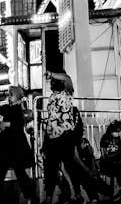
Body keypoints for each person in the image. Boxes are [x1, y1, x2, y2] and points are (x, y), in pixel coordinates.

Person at [0, 84, 36, 204]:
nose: (9, 96)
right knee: (1, 171)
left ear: (17, 95)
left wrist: (6, 124)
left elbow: (19, 123)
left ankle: (30, 195)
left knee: (18, 172)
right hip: (8, 143)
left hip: (15, 145)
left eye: (11, 94)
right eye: (9, 94)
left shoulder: (20, 109)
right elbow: (1, 110)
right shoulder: (9, 107)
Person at [42, 72, 81, 204]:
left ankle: (75, 194)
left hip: (64, 136)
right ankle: (49, 197)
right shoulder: (52, 97)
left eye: (54, 81)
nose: (51, 83)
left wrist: (52, 74)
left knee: (69, 167)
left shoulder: (67, 93)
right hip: (52, 136)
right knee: (50, 169)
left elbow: (67, 78)